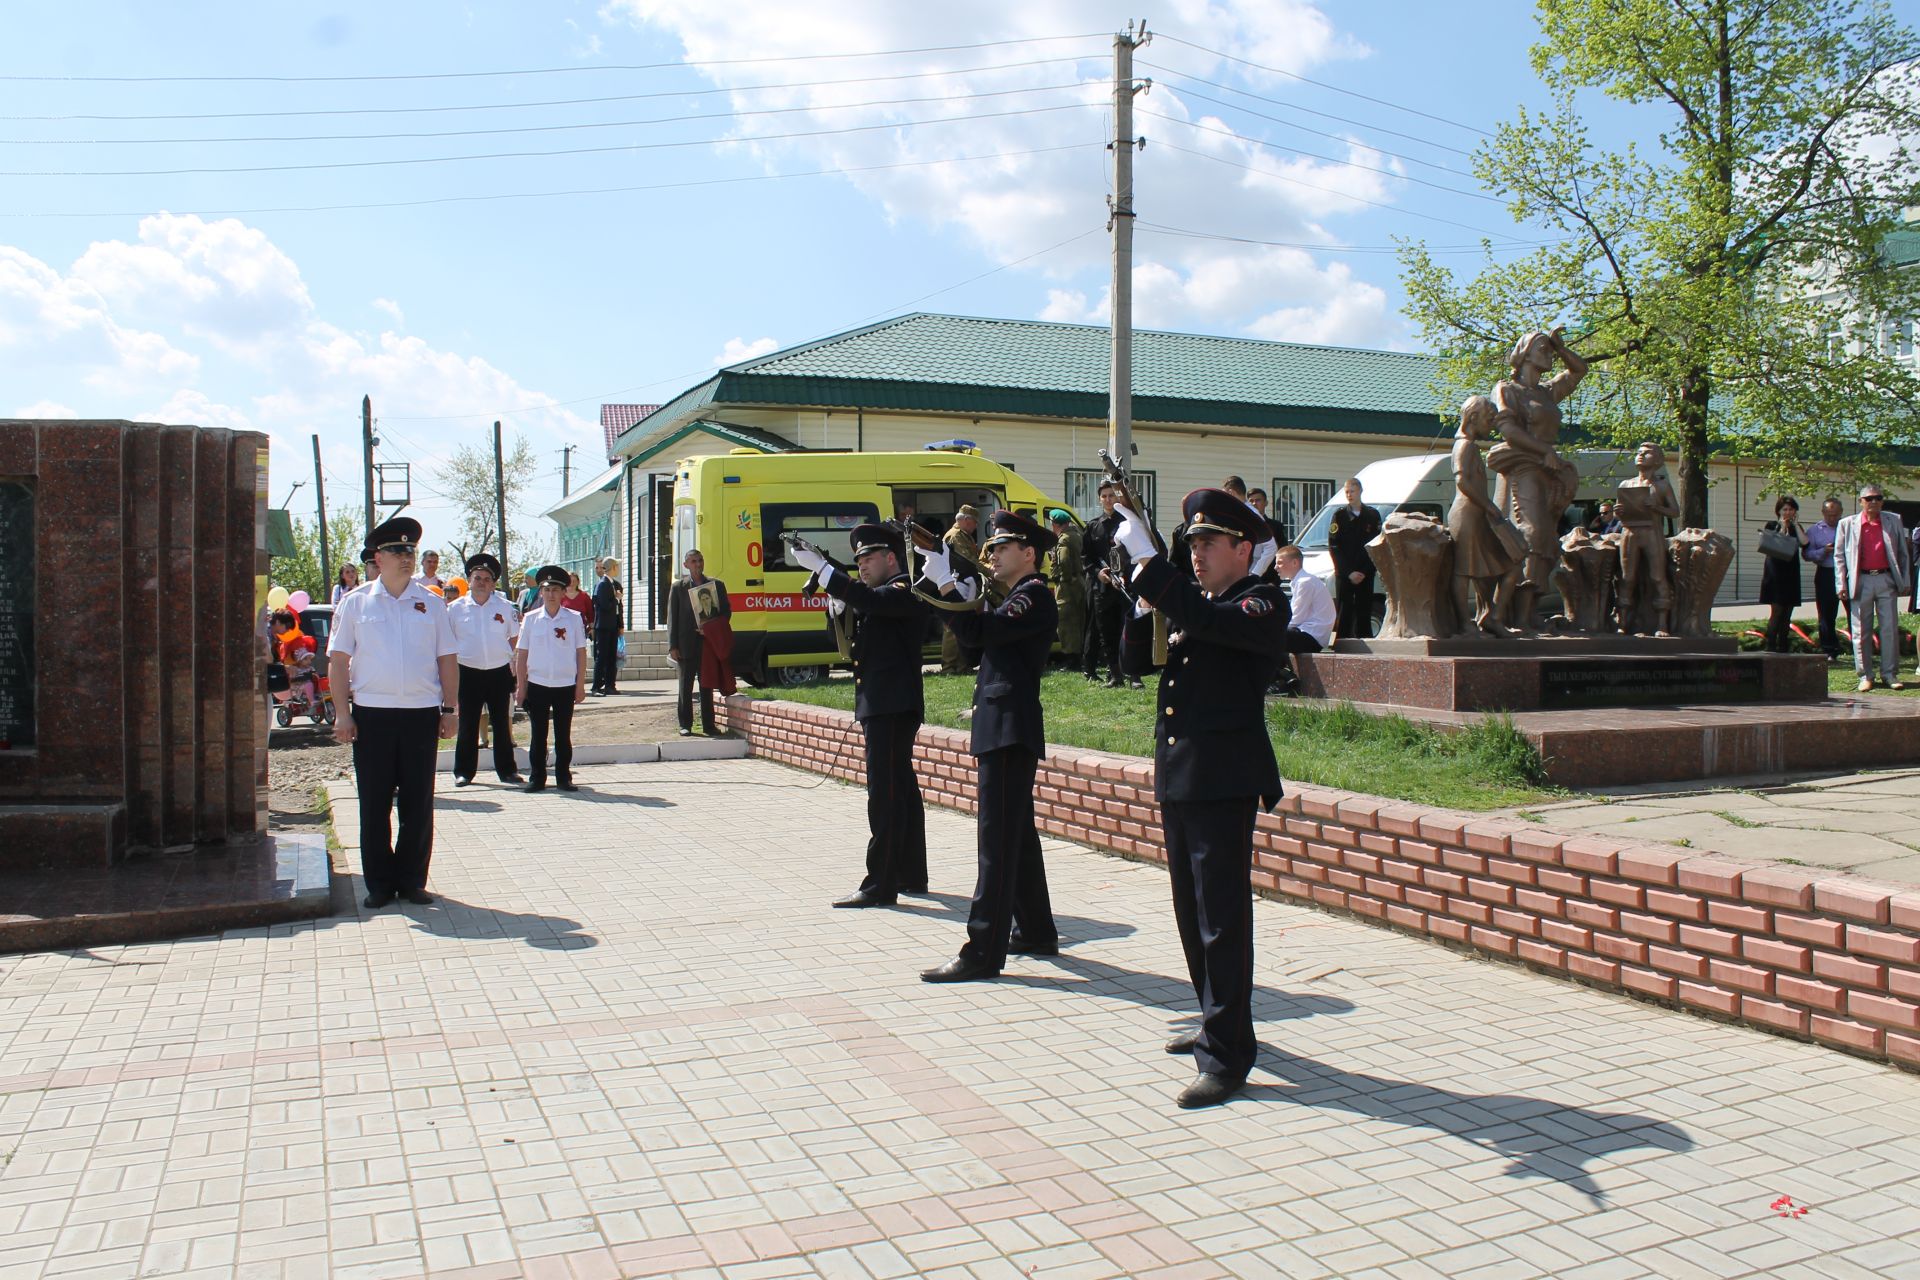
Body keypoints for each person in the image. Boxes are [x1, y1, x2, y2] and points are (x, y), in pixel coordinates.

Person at [1114, 488, 1288, 1109]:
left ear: (1244, 547)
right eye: (1190, 544)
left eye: (1208, 543)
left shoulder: (1262, 602)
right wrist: (1138, 597)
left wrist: (1151, 566)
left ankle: (1229, 1056)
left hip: (1223, 778)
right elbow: (1152, 656)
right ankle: (1214, 1021)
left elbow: (1211, 625)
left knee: (1221, 920)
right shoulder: (1206, 602)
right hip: (1185, 774)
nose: (1196, 554)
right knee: (1192, 913)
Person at [917, 509, 1059, 983]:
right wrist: (959, 591)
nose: (992, 554)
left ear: (1029, 553)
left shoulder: (1033, 595)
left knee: (995, 843)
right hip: (1003, 725)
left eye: (1002, 548)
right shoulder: (1014, 596)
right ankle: (1036, 930)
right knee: (1015, 835)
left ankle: (982, 950)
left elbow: (979, 634)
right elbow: (977, 645)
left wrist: (945, 586)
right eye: (991, 547)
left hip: (1009, 727)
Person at [791, 524, 931, 907]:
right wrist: (837, 609)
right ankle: (909, 873)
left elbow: (875, 602)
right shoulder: (876, 595)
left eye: (868, 559)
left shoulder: (904, 590)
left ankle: (880, 885)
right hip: (884, 703)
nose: (862, 566)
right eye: (857, 561)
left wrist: (825, 573)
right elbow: (852, 639)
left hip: (891, 705)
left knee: (884, 795)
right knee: (900, 790)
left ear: (890, 558)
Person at [327, 516, 458, 909]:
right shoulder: (355, 603)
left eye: (411, 551)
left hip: (420, 714)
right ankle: (380, 883)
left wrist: (450, 709)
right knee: (374, 801)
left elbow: (447, 659)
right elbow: (338, 661)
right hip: (373, 716)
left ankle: (412, 880)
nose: (406, 557)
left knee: (418, 802)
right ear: (378, 558)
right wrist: (342, 713)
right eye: (398, 551)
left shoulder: (432, 603)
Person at [448, 553, 522, 788]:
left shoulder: (505, 607)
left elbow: (515, 638)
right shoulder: (454, 609)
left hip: (498, 672)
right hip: (467, 672)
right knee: (468, 724)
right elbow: (446, 642)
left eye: (487, 579)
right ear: (469, 580)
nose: (482, 582)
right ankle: (464, 772)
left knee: (501, 724)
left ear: (493, 583)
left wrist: (510, 663)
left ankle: (507, 771)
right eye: (477, 578)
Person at [515, 565, 589, 792]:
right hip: (538, 684)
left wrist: (580, 685)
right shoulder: (530, 619)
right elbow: (522, 654)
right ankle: (537, 778)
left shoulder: (574, 619)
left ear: (563, 592)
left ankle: (564, 778)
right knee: (538, 735)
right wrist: (521, 686)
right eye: (546, 590)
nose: (551, 595)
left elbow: (580, 653)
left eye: (556, 590)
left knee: (563, 735)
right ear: (540, 592)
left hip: (564, 684)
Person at [1836, 485, 1911, 692]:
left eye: (1878, 498)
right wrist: (1841, 583)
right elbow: (1839, 556)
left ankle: (1889, 674)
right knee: (1861, 631)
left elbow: (1903, 554)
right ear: (1861, 501)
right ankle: (1865, 675)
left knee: (1889, 629)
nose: (1874, 502)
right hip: (1861, 581)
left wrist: (1904, 581)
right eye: (1869, 499)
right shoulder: (1847, 524)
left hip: (1886, 578)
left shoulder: (1893, 520)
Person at [1616, 443, 1682, 636]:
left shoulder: (1661, 485)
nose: (1641, 456)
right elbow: (1622, 514)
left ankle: (1662, 624)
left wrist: (1657, 507)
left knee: (1657, 576)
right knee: (1627, 578)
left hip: (1652, 533)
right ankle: (1622, 623)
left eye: (1647, 453)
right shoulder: (1626, 485)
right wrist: (1618, 512)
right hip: (1629, 533)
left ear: (1658, 460)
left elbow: (1675, 512)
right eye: (1639, 453)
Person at [668, 549, 731, 735]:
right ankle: (685, 725)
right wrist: (673, 646)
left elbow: (726, 613)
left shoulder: (716, 585)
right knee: (685, 686)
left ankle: (709, 725)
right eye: (693, 561)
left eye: (700, 560)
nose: (697, 564)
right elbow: (673, 617)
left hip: (708, 643)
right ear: (686, 565)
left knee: (706, 684)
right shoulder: (678, 588)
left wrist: (711, 629)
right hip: (685, 644)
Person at [1081, 480, 1133, 687]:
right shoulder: (1093, 526)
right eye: (1104, 496)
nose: (1108, 499)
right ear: (1099, 499)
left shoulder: (1128, 523)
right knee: (1107, 633)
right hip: (1103, 587)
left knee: (1127, 631)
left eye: (1111, 495)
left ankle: (1134, 675)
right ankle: (1115, 675)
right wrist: (1097, 573)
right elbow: (1086, 558)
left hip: (1126, 586)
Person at [1274, 545, 1336, 693]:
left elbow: (1295, 617)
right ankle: (1285, 676)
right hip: (1306, 633)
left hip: (1311, 637)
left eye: (1280, 563)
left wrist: (1272, 626)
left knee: (1267, 635)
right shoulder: (1300, 581)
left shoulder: (1305, 582)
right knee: (1267, 635)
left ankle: (1280, 678)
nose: (1276, 567)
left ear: (1295, 563)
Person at [1328, 477, 1383, 639]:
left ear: (1360, 491)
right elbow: (1334, 546)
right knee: (1344, 611)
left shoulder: (1372, 515)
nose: (1349, 495)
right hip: (1345, 573)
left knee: (1364, 611)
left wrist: (1365, 571)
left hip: (1365, 572)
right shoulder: (1339, 516)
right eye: (1346, 492)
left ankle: (1365, 647)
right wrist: (1348, 572)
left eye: (1352, 491)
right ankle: (1341, 644)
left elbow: (1377, 545)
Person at [1760, 497, 1809, 654]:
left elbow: (1805, 542)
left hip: (1791, 573)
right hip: (1775, 573)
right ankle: (1771, 645)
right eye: (1785, 510)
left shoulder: (1797, 527)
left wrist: (1794, 525)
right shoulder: (1771, 525)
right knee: (1777, 610)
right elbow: (1776, 543)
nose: (1788, 512)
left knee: (1787, 611)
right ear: (1779, 511)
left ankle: (1783, 645)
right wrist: (1782, 527)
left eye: (1791, 509)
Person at [938, 504, 983, 675]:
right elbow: (969, 560)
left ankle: (963, 664)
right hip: (957, 583)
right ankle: (949, 666)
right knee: (952, 626)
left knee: (963, 623)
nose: (976, 526)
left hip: (965, 582)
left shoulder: (964, 536)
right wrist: (989, 572)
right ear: (965, 520)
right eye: (974, 522)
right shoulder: (956, 536)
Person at [1046, 509, 1087, 667]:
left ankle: (1071, 657)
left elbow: (1063, 561)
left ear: (1055, 524)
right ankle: (1078, 654)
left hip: (1068, 584)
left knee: (1065, 621)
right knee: (1078, 619)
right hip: (1080, 581)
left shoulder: (1063, 540)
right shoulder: (1077, 535)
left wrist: (1064, 578)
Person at [1806, 499, 1844, 660]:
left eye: (1835, 515)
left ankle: (1859, 649)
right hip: (1826, 572)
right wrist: (1823, 551)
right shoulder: (1814, 530)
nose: (1832, 518)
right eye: (1829, 515)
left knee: (1854, 611)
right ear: (1823, 513)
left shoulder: (1848, 527)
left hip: (1847, 573)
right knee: (1826, 614)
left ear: (1841, 513)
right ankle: (1829, 649)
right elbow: (1807, 554)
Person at [590, 557, 622, 696]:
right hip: (603, 626)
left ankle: (610, 685)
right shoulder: (602, 584)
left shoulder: (612, 584)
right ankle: (596, 686)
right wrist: (616, 599)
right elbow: (604, 605)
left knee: (611, 657)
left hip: (612, 625)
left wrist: (620, 624)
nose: (618, 569)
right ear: (613, 568)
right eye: (617, 566)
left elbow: (617, 609)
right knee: (601, 656)